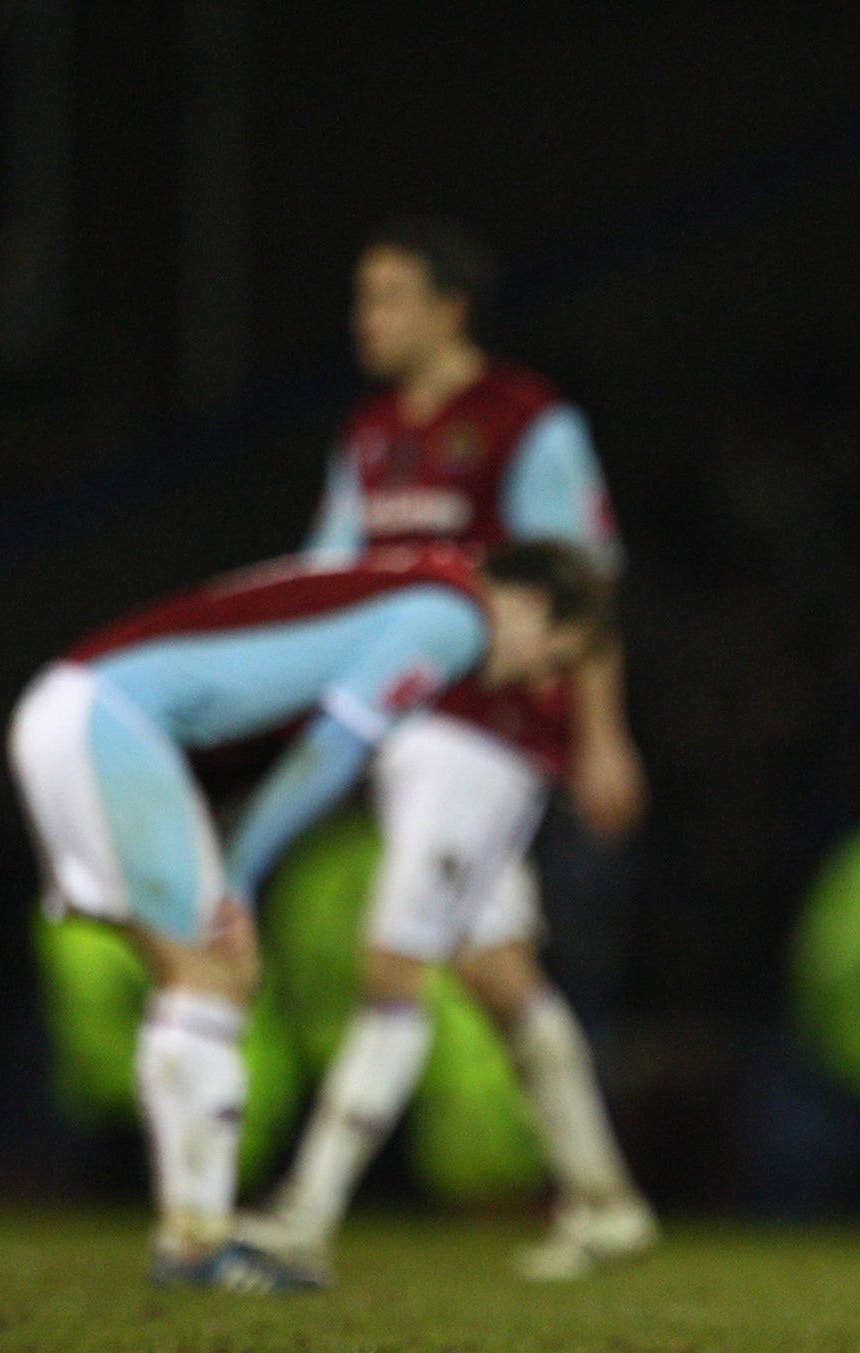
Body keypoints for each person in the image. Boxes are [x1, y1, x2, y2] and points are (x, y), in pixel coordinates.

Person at [8, 542, 608, 1290]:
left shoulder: (409, 579)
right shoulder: (458, 616)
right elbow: (335, 748)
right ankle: (195, 1248)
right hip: (111, 722)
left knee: (211, 971)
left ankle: (195, 1237)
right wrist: (241, 873)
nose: (540, 677)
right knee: (214, 965)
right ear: (530, 604)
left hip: (88, 712)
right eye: (557, 654)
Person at [236, 222, 655, 1282]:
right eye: (362, 298)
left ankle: (303, 1216)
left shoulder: (525, 425)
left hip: (489, 728)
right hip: (406, 729)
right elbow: (328, 578)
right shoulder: (370, 436)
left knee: (395, 961)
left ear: (448, 307)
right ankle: (606, 1202)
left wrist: (602, 735)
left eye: (386, 298)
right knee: (497, 971)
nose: (364, 319)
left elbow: (582, 584)